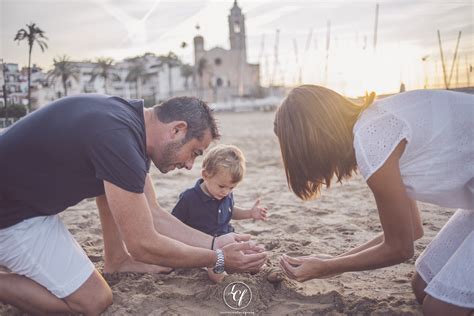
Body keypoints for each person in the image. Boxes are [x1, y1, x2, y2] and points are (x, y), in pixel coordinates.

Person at [0, 94, 267, 315]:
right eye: (195, 153)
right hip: (10, 217)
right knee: (93, 302)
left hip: (23, 203)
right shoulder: (118, 139)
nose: (189, 165)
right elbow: (143, 244)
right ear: (177, 129)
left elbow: (153, 214)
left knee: (110, 186)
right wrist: (218, 258)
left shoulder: (129, 124)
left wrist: (213, 243)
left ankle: (116, 260)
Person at [274, 85, 473, 315]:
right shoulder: (371, 126)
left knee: (438, 310)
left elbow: (400, 248)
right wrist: (331, 262)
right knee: (422, 286)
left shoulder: (372, 141)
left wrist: (328, 267)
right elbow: (413, 229)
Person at [172, 144, 268, 282]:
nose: (226, 192)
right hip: (205, 248)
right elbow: (174, 224)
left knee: (252, 252)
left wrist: (249, 213)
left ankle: (264, 271)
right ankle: (227, 282)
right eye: (222, 186)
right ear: (205, 175)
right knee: (215, 266)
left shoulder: (224, 195)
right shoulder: (189, 198)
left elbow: (230, 211)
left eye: (231, 188)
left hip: (227, 239)